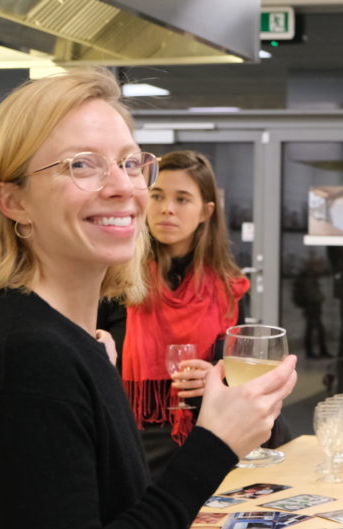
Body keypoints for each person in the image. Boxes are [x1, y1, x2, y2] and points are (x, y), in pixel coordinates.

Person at [0, 68, 298, 528]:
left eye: (130, 163)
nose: (124, 187)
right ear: (13, 201)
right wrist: (215, 444)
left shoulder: (71, 342)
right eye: (81, 164)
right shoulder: (26, 357)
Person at [99, 150, 290, 480]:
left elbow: (232, 369)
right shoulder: (115, 277)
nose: (166, 208)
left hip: (208, 427)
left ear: (206, 211)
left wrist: (212, 376)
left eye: (182, 199)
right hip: (134, 432)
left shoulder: (227, 288)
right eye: (157, 196)